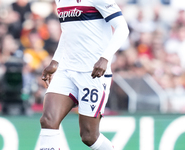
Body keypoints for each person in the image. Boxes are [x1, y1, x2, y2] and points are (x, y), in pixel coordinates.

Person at [39, 0, 129, 149]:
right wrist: (55, 61)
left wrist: (105, 57)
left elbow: (122, 28)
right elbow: (68, 32)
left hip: (93, 73)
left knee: (89, 136)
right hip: (66, 70)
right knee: (48, 120)